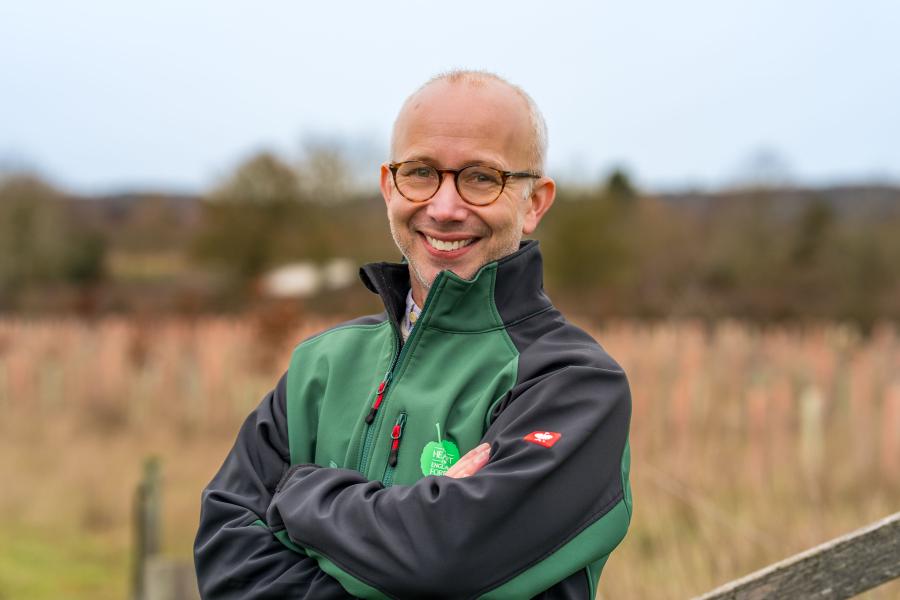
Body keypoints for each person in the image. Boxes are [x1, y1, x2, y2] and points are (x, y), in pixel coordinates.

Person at [194, 70, 632, 599]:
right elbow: (227, 561)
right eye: (421, 173)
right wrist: (409, 534)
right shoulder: (322, 366)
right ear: (388, 186)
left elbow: (446, 560)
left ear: (534, 202)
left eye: (480, 177)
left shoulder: (574, 385)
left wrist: (300, 493)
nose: (445, 208)